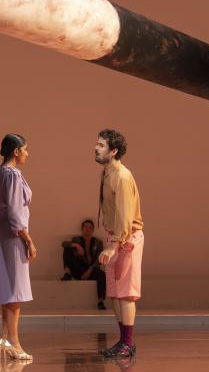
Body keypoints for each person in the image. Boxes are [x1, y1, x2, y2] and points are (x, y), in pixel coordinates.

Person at [94, 129, 144, 358]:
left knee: (125, 294)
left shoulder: (122, 176)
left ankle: (128, 343)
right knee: (115, 293)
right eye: (97, 144)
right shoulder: (107, 173)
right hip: (115, 237)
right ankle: (123, 341)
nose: (96, 148)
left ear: (113, 151)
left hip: (126, 239)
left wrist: (113, 246)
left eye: (101, 145)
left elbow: (125, 217)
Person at [0, 133, 36, 361]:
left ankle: (5, 338)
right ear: (16, 151)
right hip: (12, 237)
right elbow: (14, 211)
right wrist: (28, 239)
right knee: (14, 291)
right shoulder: (11, 175)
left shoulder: (0, 173)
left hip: (4, 234)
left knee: (9, 288)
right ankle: (14, 342)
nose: (27, 154)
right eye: (25, 149)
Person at [61, 219, 107, 310]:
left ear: (92, 230)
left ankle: (100, 301)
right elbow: (63, 244)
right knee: (67, 248)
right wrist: (76, 245)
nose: (87, 229)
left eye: (90, 227)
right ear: (82, 228)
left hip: (91, 269)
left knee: (102, 274)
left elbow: (99, 259)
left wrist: (90, 270)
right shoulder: (76, 239)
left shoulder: (98, 242)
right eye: (86, 227)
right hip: (78, 268)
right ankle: (67, 273)